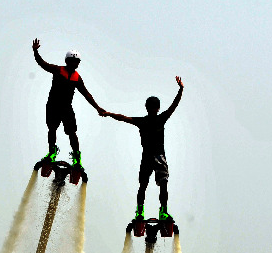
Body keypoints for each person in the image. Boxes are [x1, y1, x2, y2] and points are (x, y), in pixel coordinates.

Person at [101, 76, 184, 221]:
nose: (152, 110)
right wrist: (108, 114)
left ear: (157, 108)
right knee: (144, 185)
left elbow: (174, 105)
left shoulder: (158, 119)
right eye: (150, 107)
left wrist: (181, 89)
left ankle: (162, 212)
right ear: (147, 108)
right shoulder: (143, 121)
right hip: (149, 157)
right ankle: (140, 212)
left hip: (158, 157)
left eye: (154, 108)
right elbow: (122, 118)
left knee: (161, 184)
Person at [32, 38, 105, 169]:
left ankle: (77, 159)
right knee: (52, 129)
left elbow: (86, 94)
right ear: (67, 61)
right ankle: (52, 153)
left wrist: (97, 108)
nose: (74, 64)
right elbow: (42, 64)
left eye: (77, 62)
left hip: (66, 108)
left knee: (72, 132)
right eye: (72, 61)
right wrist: (35, 51)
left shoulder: (77, 78)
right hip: (53, 106)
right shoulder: (58, 70)